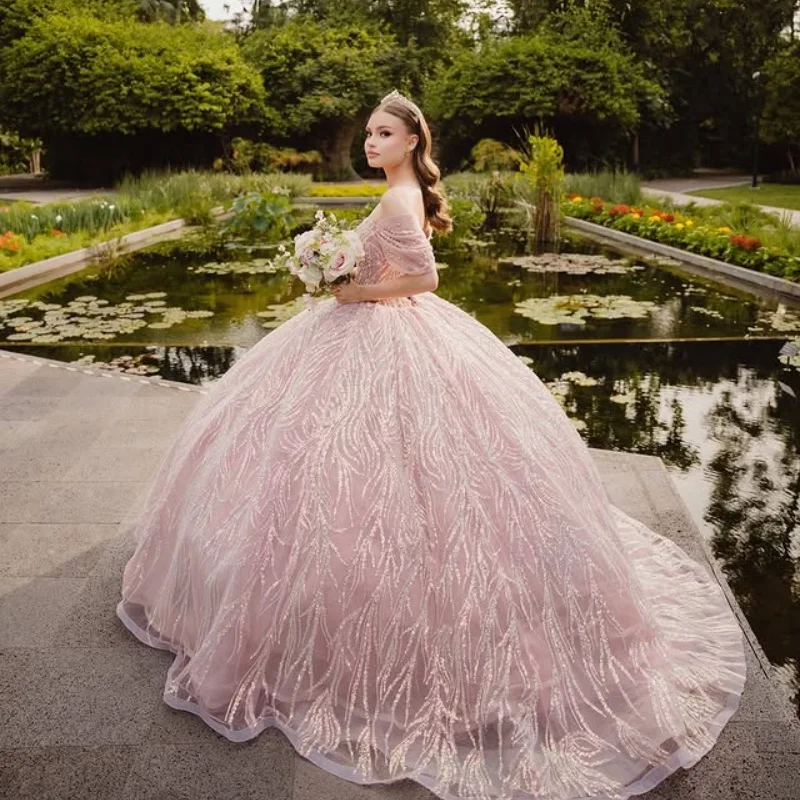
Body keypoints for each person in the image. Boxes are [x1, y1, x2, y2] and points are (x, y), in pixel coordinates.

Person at [116, 89, 747, 800]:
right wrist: (343, 273)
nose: (370, 142)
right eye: (368, 133)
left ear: (413, 140)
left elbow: (423, 277)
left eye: (383, 133)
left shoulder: (395, 199)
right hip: (385, 326)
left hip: (382, 326)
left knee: (370, 471)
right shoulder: (403, 191)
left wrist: (347, 291)